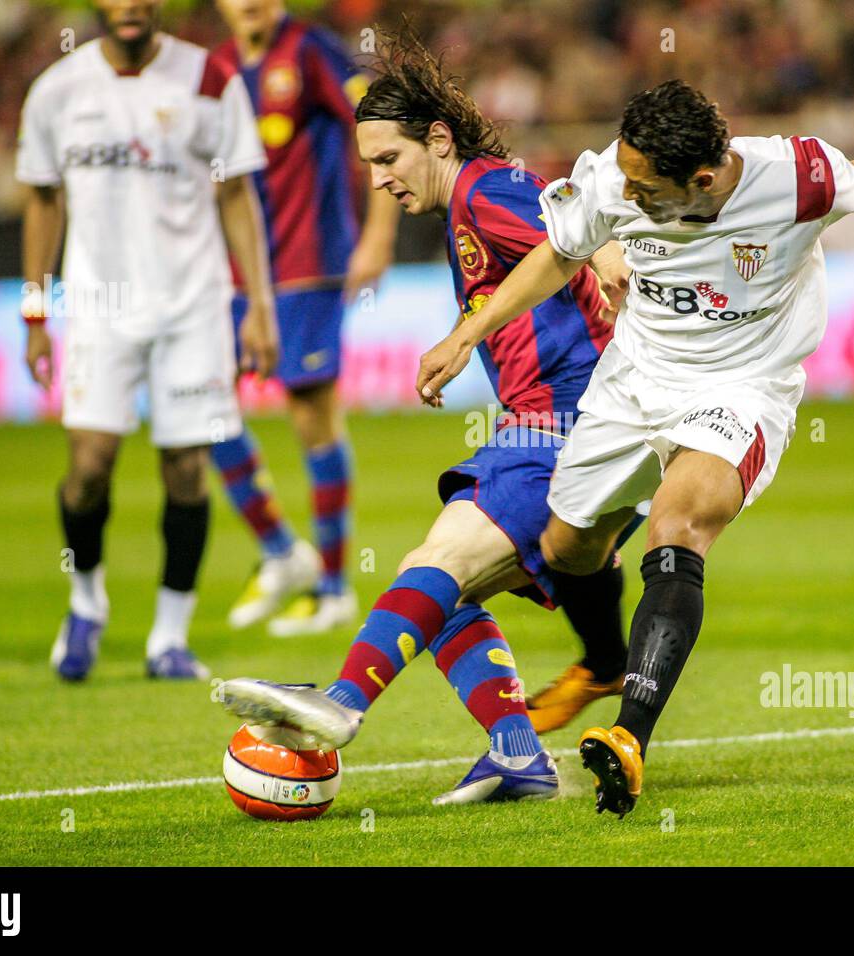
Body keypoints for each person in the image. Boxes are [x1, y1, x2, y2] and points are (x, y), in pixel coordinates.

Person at [416, 80, 854, 815]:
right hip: (635, 377)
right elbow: (558, 253)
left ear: (702, 181)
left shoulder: (793, 176)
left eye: (647, 191)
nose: (628, 198)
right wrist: (465, 335)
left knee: (677, 525)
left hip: (741, 389)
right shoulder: (618, 174)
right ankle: (608, 663)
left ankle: (629, 737)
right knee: (566, 546)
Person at [218, 28, 636, 804]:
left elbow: (568, 222)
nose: (378, 180)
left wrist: (603, 251)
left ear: (437, 139)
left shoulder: (480, 189)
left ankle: (340, 704)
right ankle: (518, 754)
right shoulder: (471, 196)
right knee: (445, 595)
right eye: (368, 165)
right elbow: (567, 218)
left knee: (432, 569)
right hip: (570, 428)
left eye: (389, 160)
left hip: (565, 426)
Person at [18, 0, 277, 680]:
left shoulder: (211, 79)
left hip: (193, 305)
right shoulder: (57, 91)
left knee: (187, 468)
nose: (130, 6)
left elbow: (235, 197)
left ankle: (169, 636)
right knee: (89, 468)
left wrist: (260, 306)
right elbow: (43, 200)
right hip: (100, 310)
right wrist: (35, 312)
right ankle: (86, 600)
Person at [210, 0, 402, 635]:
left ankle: (333, 587)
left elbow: (378, 124)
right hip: (234, 272)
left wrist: (377, 233)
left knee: (310, 414)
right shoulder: (218, 67)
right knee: (201, 406)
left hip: (307, 264)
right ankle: (280, 551)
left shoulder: (312, 51)